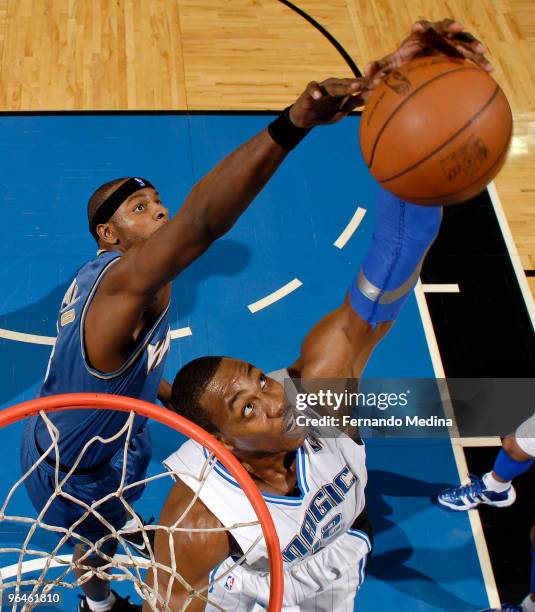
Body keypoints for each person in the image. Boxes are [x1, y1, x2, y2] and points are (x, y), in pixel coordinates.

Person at [18, 18, 491, 612]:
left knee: (473, 403)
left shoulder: (310, 399)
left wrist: (416, 152)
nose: (277, 399)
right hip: (73, 463)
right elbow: (203, 225)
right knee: (94, 543)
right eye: (141, 209)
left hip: (141, 441)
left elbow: (380, 290)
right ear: (107, 235)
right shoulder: (123, 292)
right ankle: (97, 597)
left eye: (262, 381)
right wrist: (293, 123)